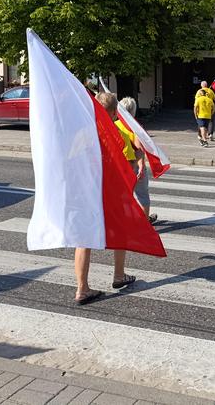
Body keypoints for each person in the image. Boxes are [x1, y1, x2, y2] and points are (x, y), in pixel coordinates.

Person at [74, 92, 136, 305]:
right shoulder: (114, 133)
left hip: (85, 191)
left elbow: (73, 161)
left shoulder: (82, 132)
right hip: (109, 192)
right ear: (112, 113)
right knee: (121, 231)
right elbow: (124, 164)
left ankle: (82, 288)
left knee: (83, 239)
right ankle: (119, 275)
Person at [118, 96, 157, 224]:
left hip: (121, 166)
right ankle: (144, 223)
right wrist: (140, 166)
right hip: (134, 164)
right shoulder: (136, 127)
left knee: (123, 197)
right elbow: (139, 148)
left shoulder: (115, 125)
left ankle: (124, 221)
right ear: (133, 110)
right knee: (142, 195)